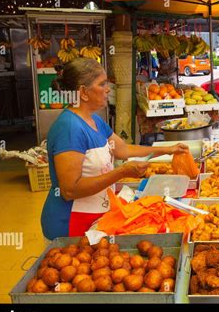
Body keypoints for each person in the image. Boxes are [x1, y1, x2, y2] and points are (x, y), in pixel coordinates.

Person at [41, 58, 188, 240]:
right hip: (70, 224)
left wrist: (167, 150)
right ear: (83, 92)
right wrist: (121, 172)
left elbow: (123, 150)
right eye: (102, 84)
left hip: (94, 217)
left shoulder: (94, 120)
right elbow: (70, 190)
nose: (108, 89)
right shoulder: (70, 128)